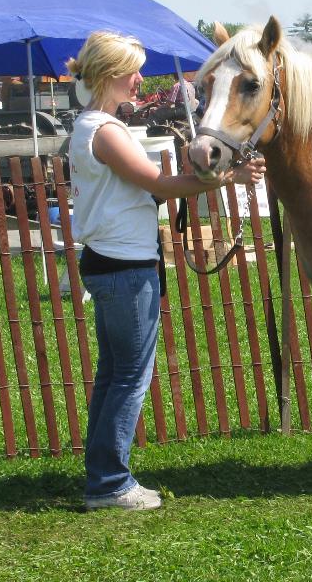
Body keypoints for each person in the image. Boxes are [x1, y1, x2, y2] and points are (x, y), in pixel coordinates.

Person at [68, 31, 265, 511]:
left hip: (110, 261)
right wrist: (227, 177)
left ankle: (102, 474)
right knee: (131, 376)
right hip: (125, 265)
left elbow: (141, 191)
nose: (139, 80)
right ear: (111, 74)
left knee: (114, 374)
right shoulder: (108, 131)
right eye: (133, 71)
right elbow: (156, 182)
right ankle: (111, 483)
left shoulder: (89, 125)